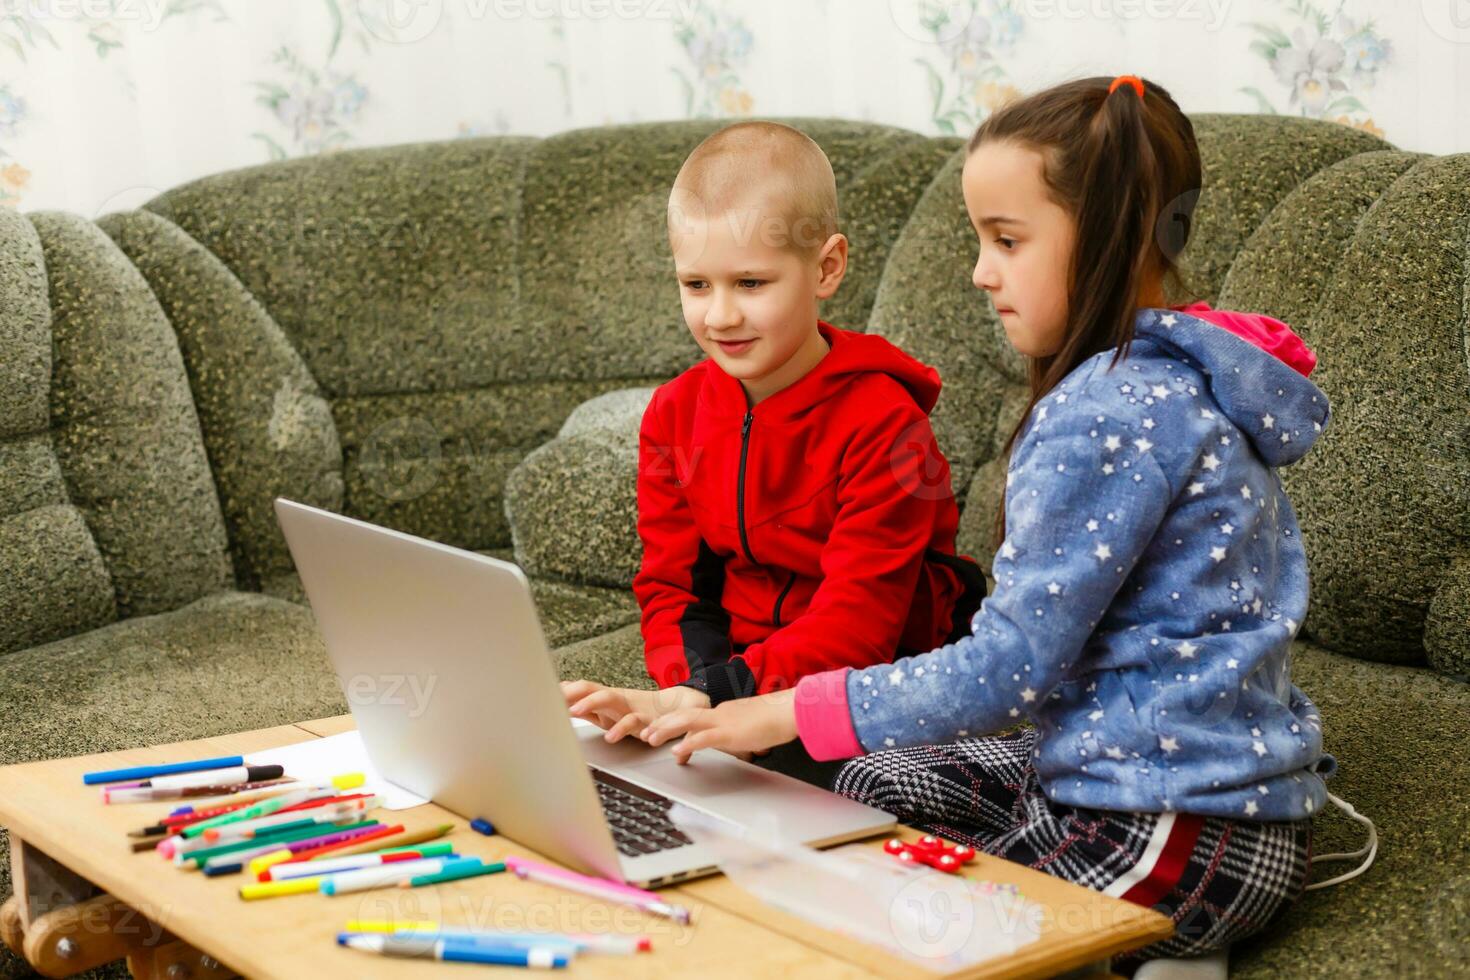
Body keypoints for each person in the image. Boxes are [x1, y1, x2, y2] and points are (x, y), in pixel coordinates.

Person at [637, 77, 1376, 972]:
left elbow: (1008, 669)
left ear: (1108, 235)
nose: (981, 271)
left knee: (890, 917)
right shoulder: (1135, 376)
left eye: (1007, 240)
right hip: (1091, 767)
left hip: (1188, 822)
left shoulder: (1110, 412)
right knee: (868, 786)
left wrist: (781, 709)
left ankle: (1172, 944)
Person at [563, 121, 986, 782]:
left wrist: (717, 699)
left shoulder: (886, 424)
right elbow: (672, 585)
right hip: (737, 675)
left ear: (826, 268)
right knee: (611, 772)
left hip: (865, 688)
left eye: (751, 284)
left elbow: (858, 629)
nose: (721, 315)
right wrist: (690, 690)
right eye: (696, 285)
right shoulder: (673, 414)